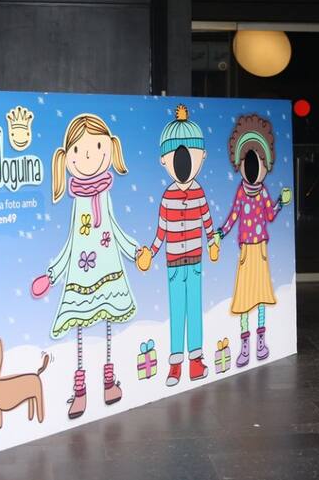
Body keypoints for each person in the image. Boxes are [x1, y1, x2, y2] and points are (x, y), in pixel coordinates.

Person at [32, 113, 139, 419]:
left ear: (109, 147)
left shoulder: (104, 195)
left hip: (108, 271)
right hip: (81, 274)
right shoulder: (79, 199)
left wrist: (134, 251)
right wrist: (52, 275)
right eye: (79, 150)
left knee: (107, 328)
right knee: (80, 331)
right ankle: (80, 392)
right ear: (68, 158)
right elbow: (73, 242)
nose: (89, 156)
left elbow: (112, 229)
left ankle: (109, 382)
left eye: (96, 147)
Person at [136, 104, 220, 387]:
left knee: (193, 309)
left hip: (194, 262)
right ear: (164, 161)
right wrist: (150, 253)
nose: (183, 163)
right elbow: (161, 231)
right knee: (177, 311)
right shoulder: (167, 197)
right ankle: (175, 365)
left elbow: (208, 222)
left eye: (189, 155)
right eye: (177, 156)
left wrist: (213, 242)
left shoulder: (199, 193)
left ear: (202, 156)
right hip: (173, 264)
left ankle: (195, 361)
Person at [217, 114, 291, 367]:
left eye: (257, 163)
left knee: (260, 297)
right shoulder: (242, 192)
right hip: (247, 253)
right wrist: (221, 233)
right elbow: (233, 216)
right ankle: (245, 345)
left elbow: (269, 215)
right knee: (244, 299)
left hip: (260, 251)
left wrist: (280, 202)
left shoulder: (263, 193)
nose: (252, 169)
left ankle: (261, 341)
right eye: (248, 162)